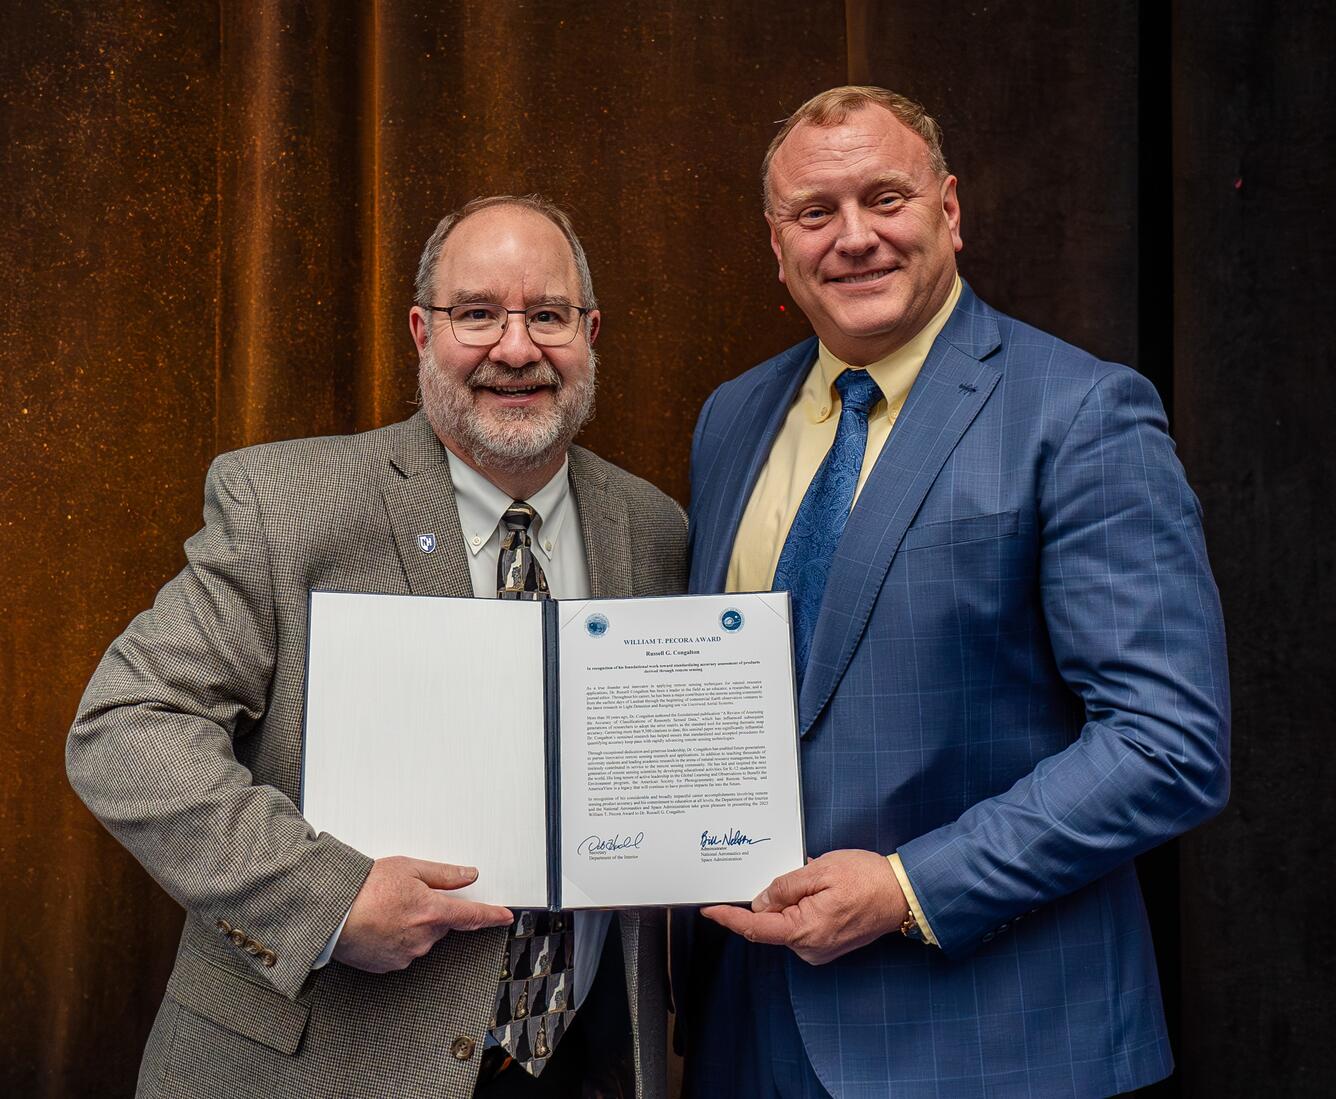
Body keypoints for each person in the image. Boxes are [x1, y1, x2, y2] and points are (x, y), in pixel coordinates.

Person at [67, 194, 685, 1099]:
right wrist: (328, 896)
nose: (516, 349)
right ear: (420, 331)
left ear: (589, 333)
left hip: (576, 1064)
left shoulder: (652, 526)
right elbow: (125, 724)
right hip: (320, 1068)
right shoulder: (284, 503)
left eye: (547, 316)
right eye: (476, 314)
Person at [677, 87, 1229, 1098]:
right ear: (775, 242)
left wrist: (902, 888)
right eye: (815, 212)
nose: (852, 238)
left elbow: (1167, 744)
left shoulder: (1080, 412)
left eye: (884, 199)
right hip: (749, 1035)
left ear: (949, 209)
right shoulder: (732, 419)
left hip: (993, 1039)